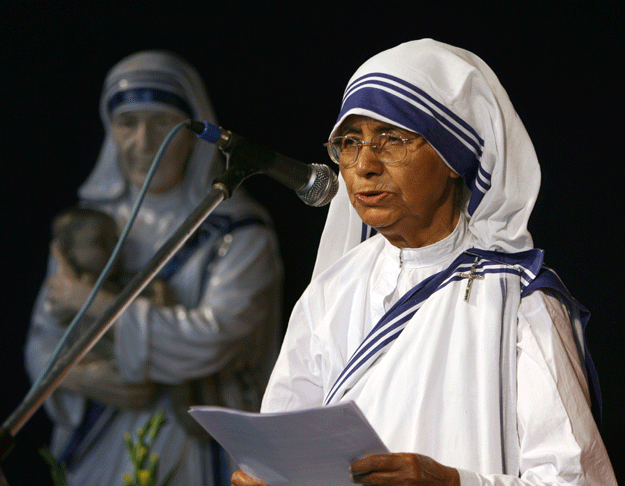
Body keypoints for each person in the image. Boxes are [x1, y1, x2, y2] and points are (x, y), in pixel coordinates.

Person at [231, 39, 616, 485]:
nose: (364, 165)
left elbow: (581, 480)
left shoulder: (519, 300)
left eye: (392, 138)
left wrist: (454, 483)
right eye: (349, 142)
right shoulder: (330, 294)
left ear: (454, 155)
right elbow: (285, 446)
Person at [26, 50, 283, 486]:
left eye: (162, 123)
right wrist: (85, 379)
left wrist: (88, 303)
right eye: (128, 123)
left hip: (195, 449)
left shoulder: (240, 233)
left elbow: (209, 340)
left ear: (194, 133)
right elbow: (44, 339)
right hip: (102, 444)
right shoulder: (86, 227)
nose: (144, 143)